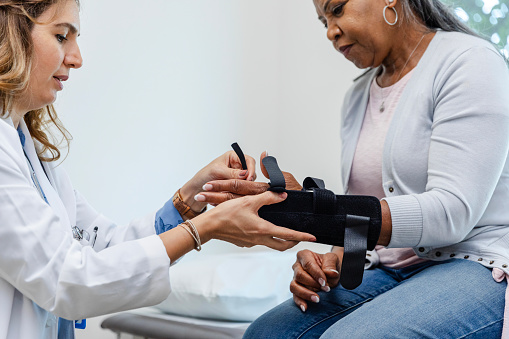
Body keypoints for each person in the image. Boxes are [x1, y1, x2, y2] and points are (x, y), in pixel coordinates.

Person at [0, 1, 317, 338]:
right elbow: (71, 280)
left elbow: (106, 249)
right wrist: (206, 228)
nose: (77, 58)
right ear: (10, 32)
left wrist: (192, 198)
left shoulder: (28, 151)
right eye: (62, 36)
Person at [238, 0, 509, 337]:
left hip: (476, 262)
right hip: (391, 265)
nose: (330, 32)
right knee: (266, 333)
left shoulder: (470, 62)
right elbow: (365, 209)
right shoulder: (357, 96)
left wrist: (311, 213)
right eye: (323, 21)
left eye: (336, 9)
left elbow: (450, 215)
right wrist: (333, 258)